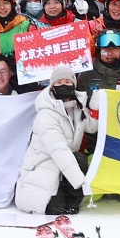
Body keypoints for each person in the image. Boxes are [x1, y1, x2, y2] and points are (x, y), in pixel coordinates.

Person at [15, 64, 98, 214]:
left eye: (67, 82)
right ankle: (63, 195)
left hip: (63, 169)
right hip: (42, 168)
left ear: (74, 85)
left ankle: (71, 197)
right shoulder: (46, 114)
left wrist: (97, 103)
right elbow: (59, 150)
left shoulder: (77, 108)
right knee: (55, 208)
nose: (63, 85)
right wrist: (80, 182)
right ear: (52, 86)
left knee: (79, 158)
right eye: (59, 82)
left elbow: (92, 126)